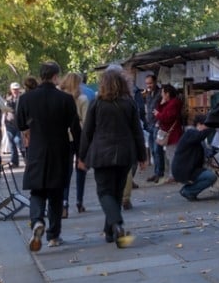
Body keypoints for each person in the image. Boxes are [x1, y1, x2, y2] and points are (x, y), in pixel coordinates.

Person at [78, 66, 146, 248]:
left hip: (102, 154)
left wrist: (82, 155)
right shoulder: (129, 103)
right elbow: (137, 131)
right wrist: (142, 155)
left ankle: (117, 224)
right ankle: (111, 233)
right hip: (124, 154)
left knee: (104, 192)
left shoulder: (97, 103)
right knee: (116, 192)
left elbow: (87, 133)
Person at [16, 61, 81, 251]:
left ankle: (37, 221)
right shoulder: (66, 99)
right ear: (55, 77)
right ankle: (54, 235)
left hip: (36, 149)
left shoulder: (27, 99)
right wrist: (80, 152)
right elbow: (75, 128)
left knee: (37, 191)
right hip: (60, 150)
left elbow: (20, 124)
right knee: (56, 194)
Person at [59, 72, 90, 215]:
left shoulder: (59, 97)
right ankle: (79, 201)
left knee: (65, 171)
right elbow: (86, 122)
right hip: (79, 137)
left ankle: (64, 203)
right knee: (81, 168)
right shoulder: (82, 98)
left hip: (63, 137)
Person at [170, 114, 217, 201]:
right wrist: (212, 127)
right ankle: (188, 191)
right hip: (183, 170)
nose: (206, 129)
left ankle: (188, 190)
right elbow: (200, 136)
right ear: (199, 124)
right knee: (211, 177)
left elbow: (206, 152)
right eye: (206, 126)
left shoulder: (195, 136)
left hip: (189, 168)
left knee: (209, 175)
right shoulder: (190, 133)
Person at [150, 84, 184, 184]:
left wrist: (158, 114)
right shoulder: (170, 103)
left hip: (173, 133)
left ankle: (173, 176)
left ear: (167, 94)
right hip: (170, 133)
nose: (161, 95)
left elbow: (167, 118)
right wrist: (161, 104)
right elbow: (162, 112)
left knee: (172, 155)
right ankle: (172, 175)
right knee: (170, 155)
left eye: (162, 93)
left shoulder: (174, 103)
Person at [139, 74, 163, 188]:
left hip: (158, 124)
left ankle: (159, 173)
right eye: (147, 83)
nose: (148, 85)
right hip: (150, 124)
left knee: (157, 150)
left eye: (150, 83)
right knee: (153, 151)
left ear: (155, 82)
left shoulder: (160, 93)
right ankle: (156, 172)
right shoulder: (148, 94)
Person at [4, 82, 24, 169]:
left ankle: (26, 159)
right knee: (11, 143)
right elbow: (5, 111)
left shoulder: (23, 98)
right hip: (9, 123)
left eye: (16, 89)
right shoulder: (8, 99)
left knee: (18, 141)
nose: (15, 91)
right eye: (13, 89)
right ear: (11, 90)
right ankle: (14, 162)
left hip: (20, 124)